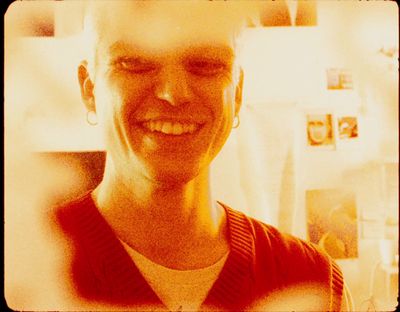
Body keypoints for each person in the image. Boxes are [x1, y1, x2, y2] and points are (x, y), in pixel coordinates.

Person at [53, 1, 345, 311]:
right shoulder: (24, 264)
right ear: (89, 89)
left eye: (205, 64)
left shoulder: (311, 282)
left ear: (238, 91)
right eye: (135, 63)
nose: (174, 92)